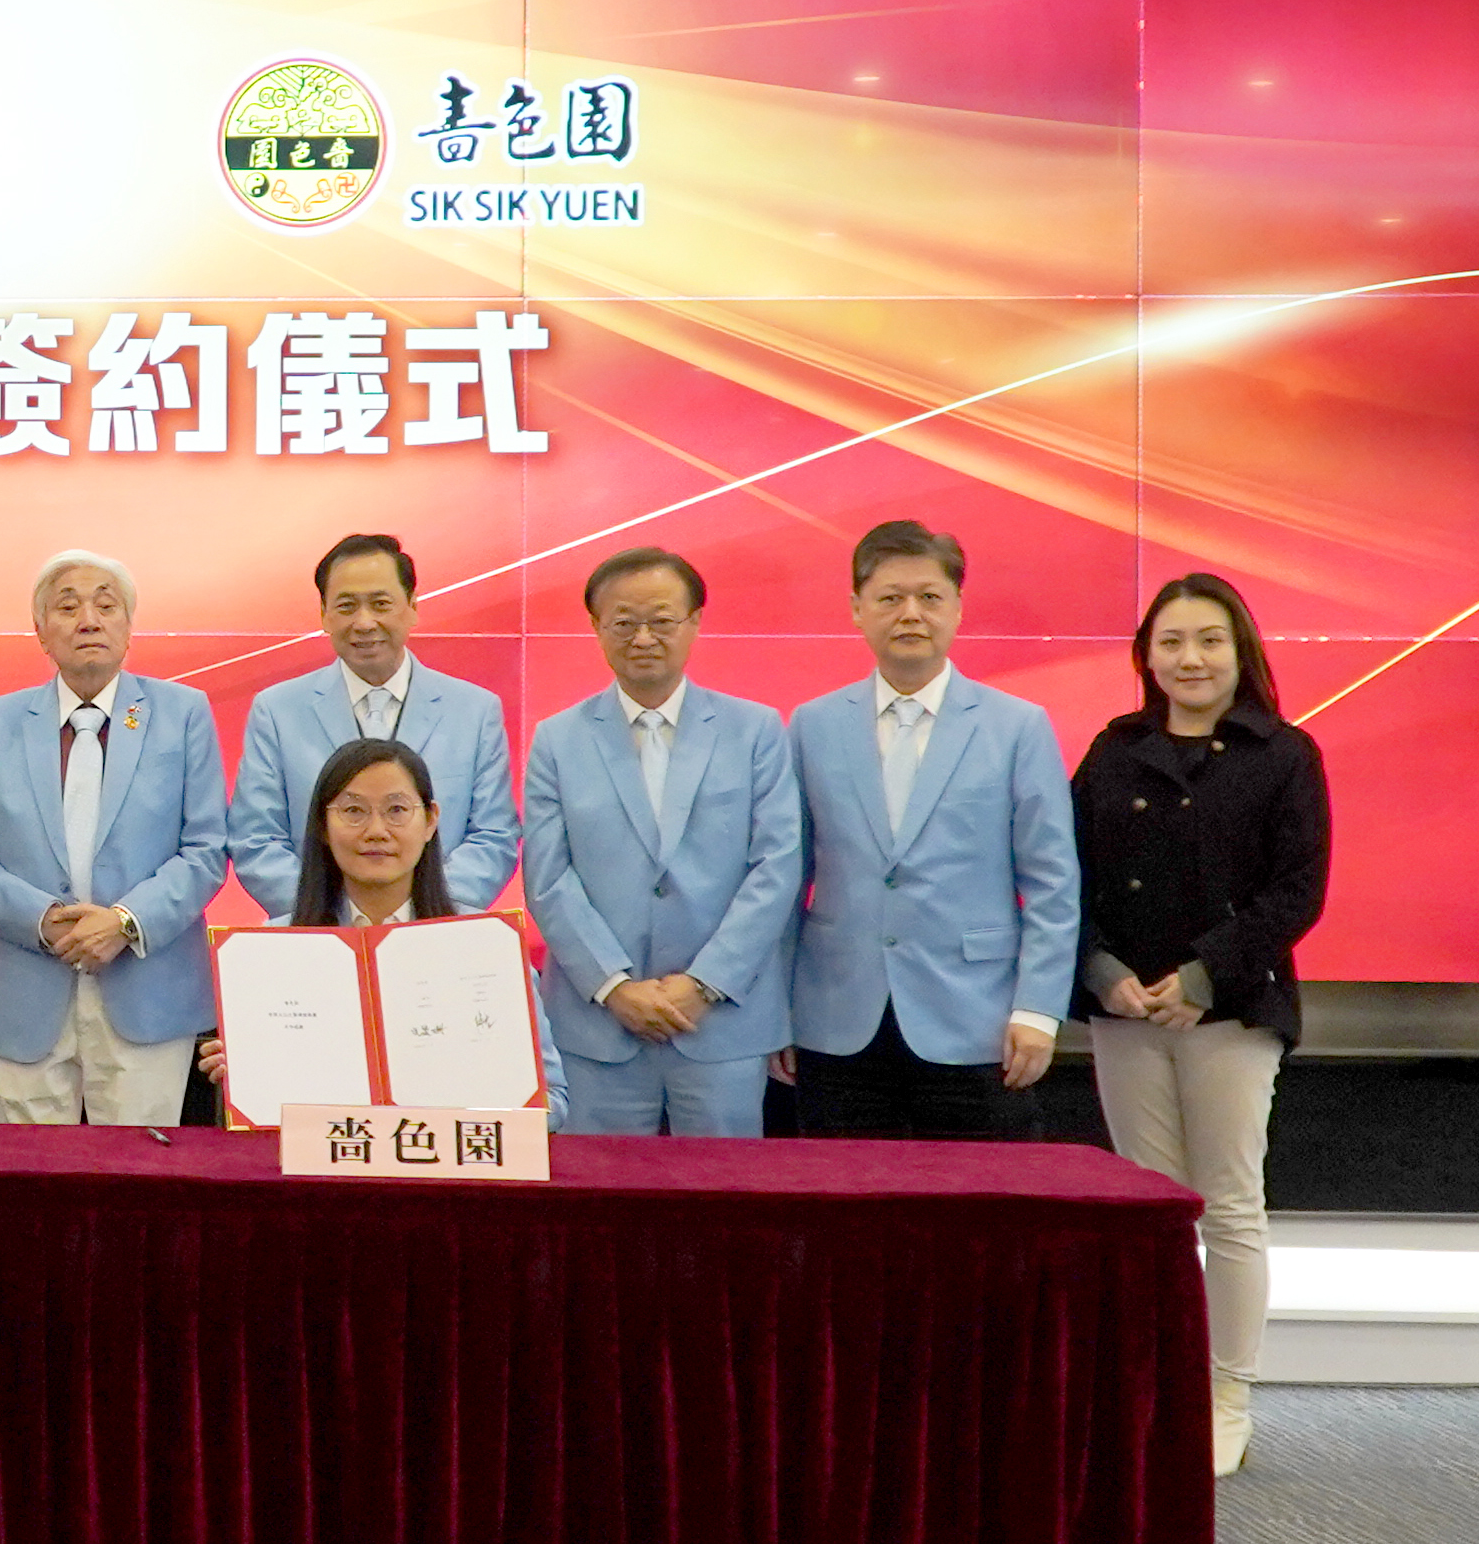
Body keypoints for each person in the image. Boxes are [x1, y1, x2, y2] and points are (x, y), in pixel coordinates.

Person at [1070, 573, 1329, 1477]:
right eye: (1171, 641)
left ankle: (1225, 1396)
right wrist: (1102, 973)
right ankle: (1156, 1387)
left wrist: (1200, 975)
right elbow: (1066, 878)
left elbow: (1295, 893)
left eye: (1209, 640)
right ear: (1146, 656)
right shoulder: (1113, 750)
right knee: (1150, 1212)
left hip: (1230, 1013)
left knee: (1227, 1207)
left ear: (1239, 651)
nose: (1190, 658)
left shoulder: (1284, 754)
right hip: (1125, 1013)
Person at [783, 520, 1080, 1140]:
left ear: (957, 608)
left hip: (978, 1021)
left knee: (978, 1197)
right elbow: (785, 879)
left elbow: (1052, 881)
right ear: (857, 610)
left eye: (929, 597)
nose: (910, 614)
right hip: (835, 1019)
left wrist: (1038, 1009)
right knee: (845, 1193)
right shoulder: (812, 725)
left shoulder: (1016, 727)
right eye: (890, 598)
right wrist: (773, 1012)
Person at [522, 547, 803, 1136]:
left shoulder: (755, 730)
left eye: (662, 620)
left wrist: (705, 984)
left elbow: (776, 868)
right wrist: (614, 987)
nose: (643, 638)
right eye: (624, 622)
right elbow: (548, 879)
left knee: (724, 1188)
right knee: (597, 1188)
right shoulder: (557, 739)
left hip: (722, 1021)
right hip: (598, 1026)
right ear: (597, 628)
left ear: (694, 622)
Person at [0, 549, 227, 1126]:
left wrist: (125, 922)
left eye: (106, 605)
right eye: (68, 607)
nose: (89, 620)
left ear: (129, 624)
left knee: (138, 1173)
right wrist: (45, 921)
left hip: (147, 990)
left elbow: (206, 850)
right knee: (28, 1175)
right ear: (41, 632)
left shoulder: (183, 713)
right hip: (26, 992)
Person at [196, 739, 562, 1113]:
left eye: (397, 810)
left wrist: (510, 1102)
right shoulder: (272, 949)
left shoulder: (487, 945)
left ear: (430, 820)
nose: (376, 830)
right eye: (353, 811)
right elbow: (259, 1113)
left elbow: (553, 1101)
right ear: (322, 824)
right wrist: (247, 1075)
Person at [230, 532, 519, 918]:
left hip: (437, 931)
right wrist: (336, 916)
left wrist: (418, 915)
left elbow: (493, 837)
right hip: (318, 934)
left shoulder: (475, 710)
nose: (364, 623)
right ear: (324, 614)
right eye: (346, 606)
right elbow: (256, 840)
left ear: (412, 606)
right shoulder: (277, 710)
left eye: (380, 604)